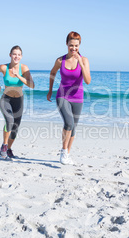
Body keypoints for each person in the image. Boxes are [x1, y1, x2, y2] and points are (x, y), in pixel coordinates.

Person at [47, 31, 91, 165]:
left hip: (78, 97)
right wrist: (50, 90)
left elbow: (88, 80)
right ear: (67, 44)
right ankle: (63, 151)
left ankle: (67, 155)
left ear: (79, 45)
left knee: (73, 128)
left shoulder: (84, 60)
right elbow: (53, 73)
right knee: (69, 123)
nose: (74, 48)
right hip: (62, 96)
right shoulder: (60, 60)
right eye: (71, 45)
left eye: (76, 46)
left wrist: (81, 64)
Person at [0, 45, 34, 159]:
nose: (16, 56)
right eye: (14, 54)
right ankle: (4, 146)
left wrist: (19, 77)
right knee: (10, 121)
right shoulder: (4, 68)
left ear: (21, 56)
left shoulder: (24, 68)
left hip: (19, 101)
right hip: (6, 99)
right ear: (10, 55)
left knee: (15, 128)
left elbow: (32, 85)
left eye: (19, 55)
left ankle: (9, 149)